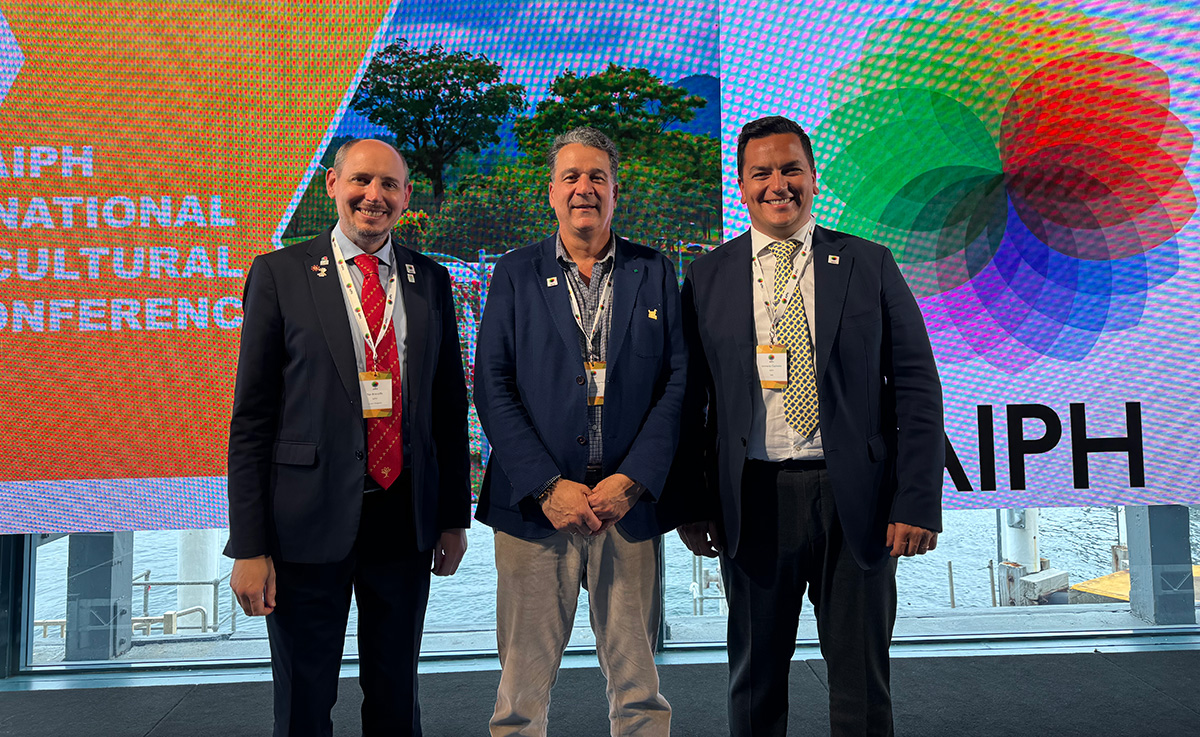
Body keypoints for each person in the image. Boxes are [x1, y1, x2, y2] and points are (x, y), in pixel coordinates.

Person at [676, 116, 944, 737]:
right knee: (754, 684)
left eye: (791, 168)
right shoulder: (708, 275)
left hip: (857, 502)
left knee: (861, 686)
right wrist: (693, 502)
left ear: (814, 178)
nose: (778, 184)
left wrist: (917, 500)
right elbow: (694, 404)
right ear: (740, 186)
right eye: (762, 172)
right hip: (752, 501)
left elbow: (916, 389)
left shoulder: (869, 264)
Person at [225, 138, 471, 737]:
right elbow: (252, 417)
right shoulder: (280, 273)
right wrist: (249, 546)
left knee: (395, 696)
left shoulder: (430, 280)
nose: (374, 196)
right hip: (303, 527)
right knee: (305, 703)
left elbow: (447, 408)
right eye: (361, 181)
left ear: (406, 197)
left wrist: (452, 518)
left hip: (403, 520)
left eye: (389, 185)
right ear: (332, 185)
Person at [474, 127, 688, 737]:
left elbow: (677, 385)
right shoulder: (515, 273)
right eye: (571, 177)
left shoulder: (654, 270)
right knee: (519, 693)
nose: (584, 188)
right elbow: (492, 385)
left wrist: (634, 481)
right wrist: (546, 485)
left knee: (640, 691)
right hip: (536, 511)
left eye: (597, 177)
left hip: (627, 507)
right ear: (551, 192)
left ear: (616, 192)